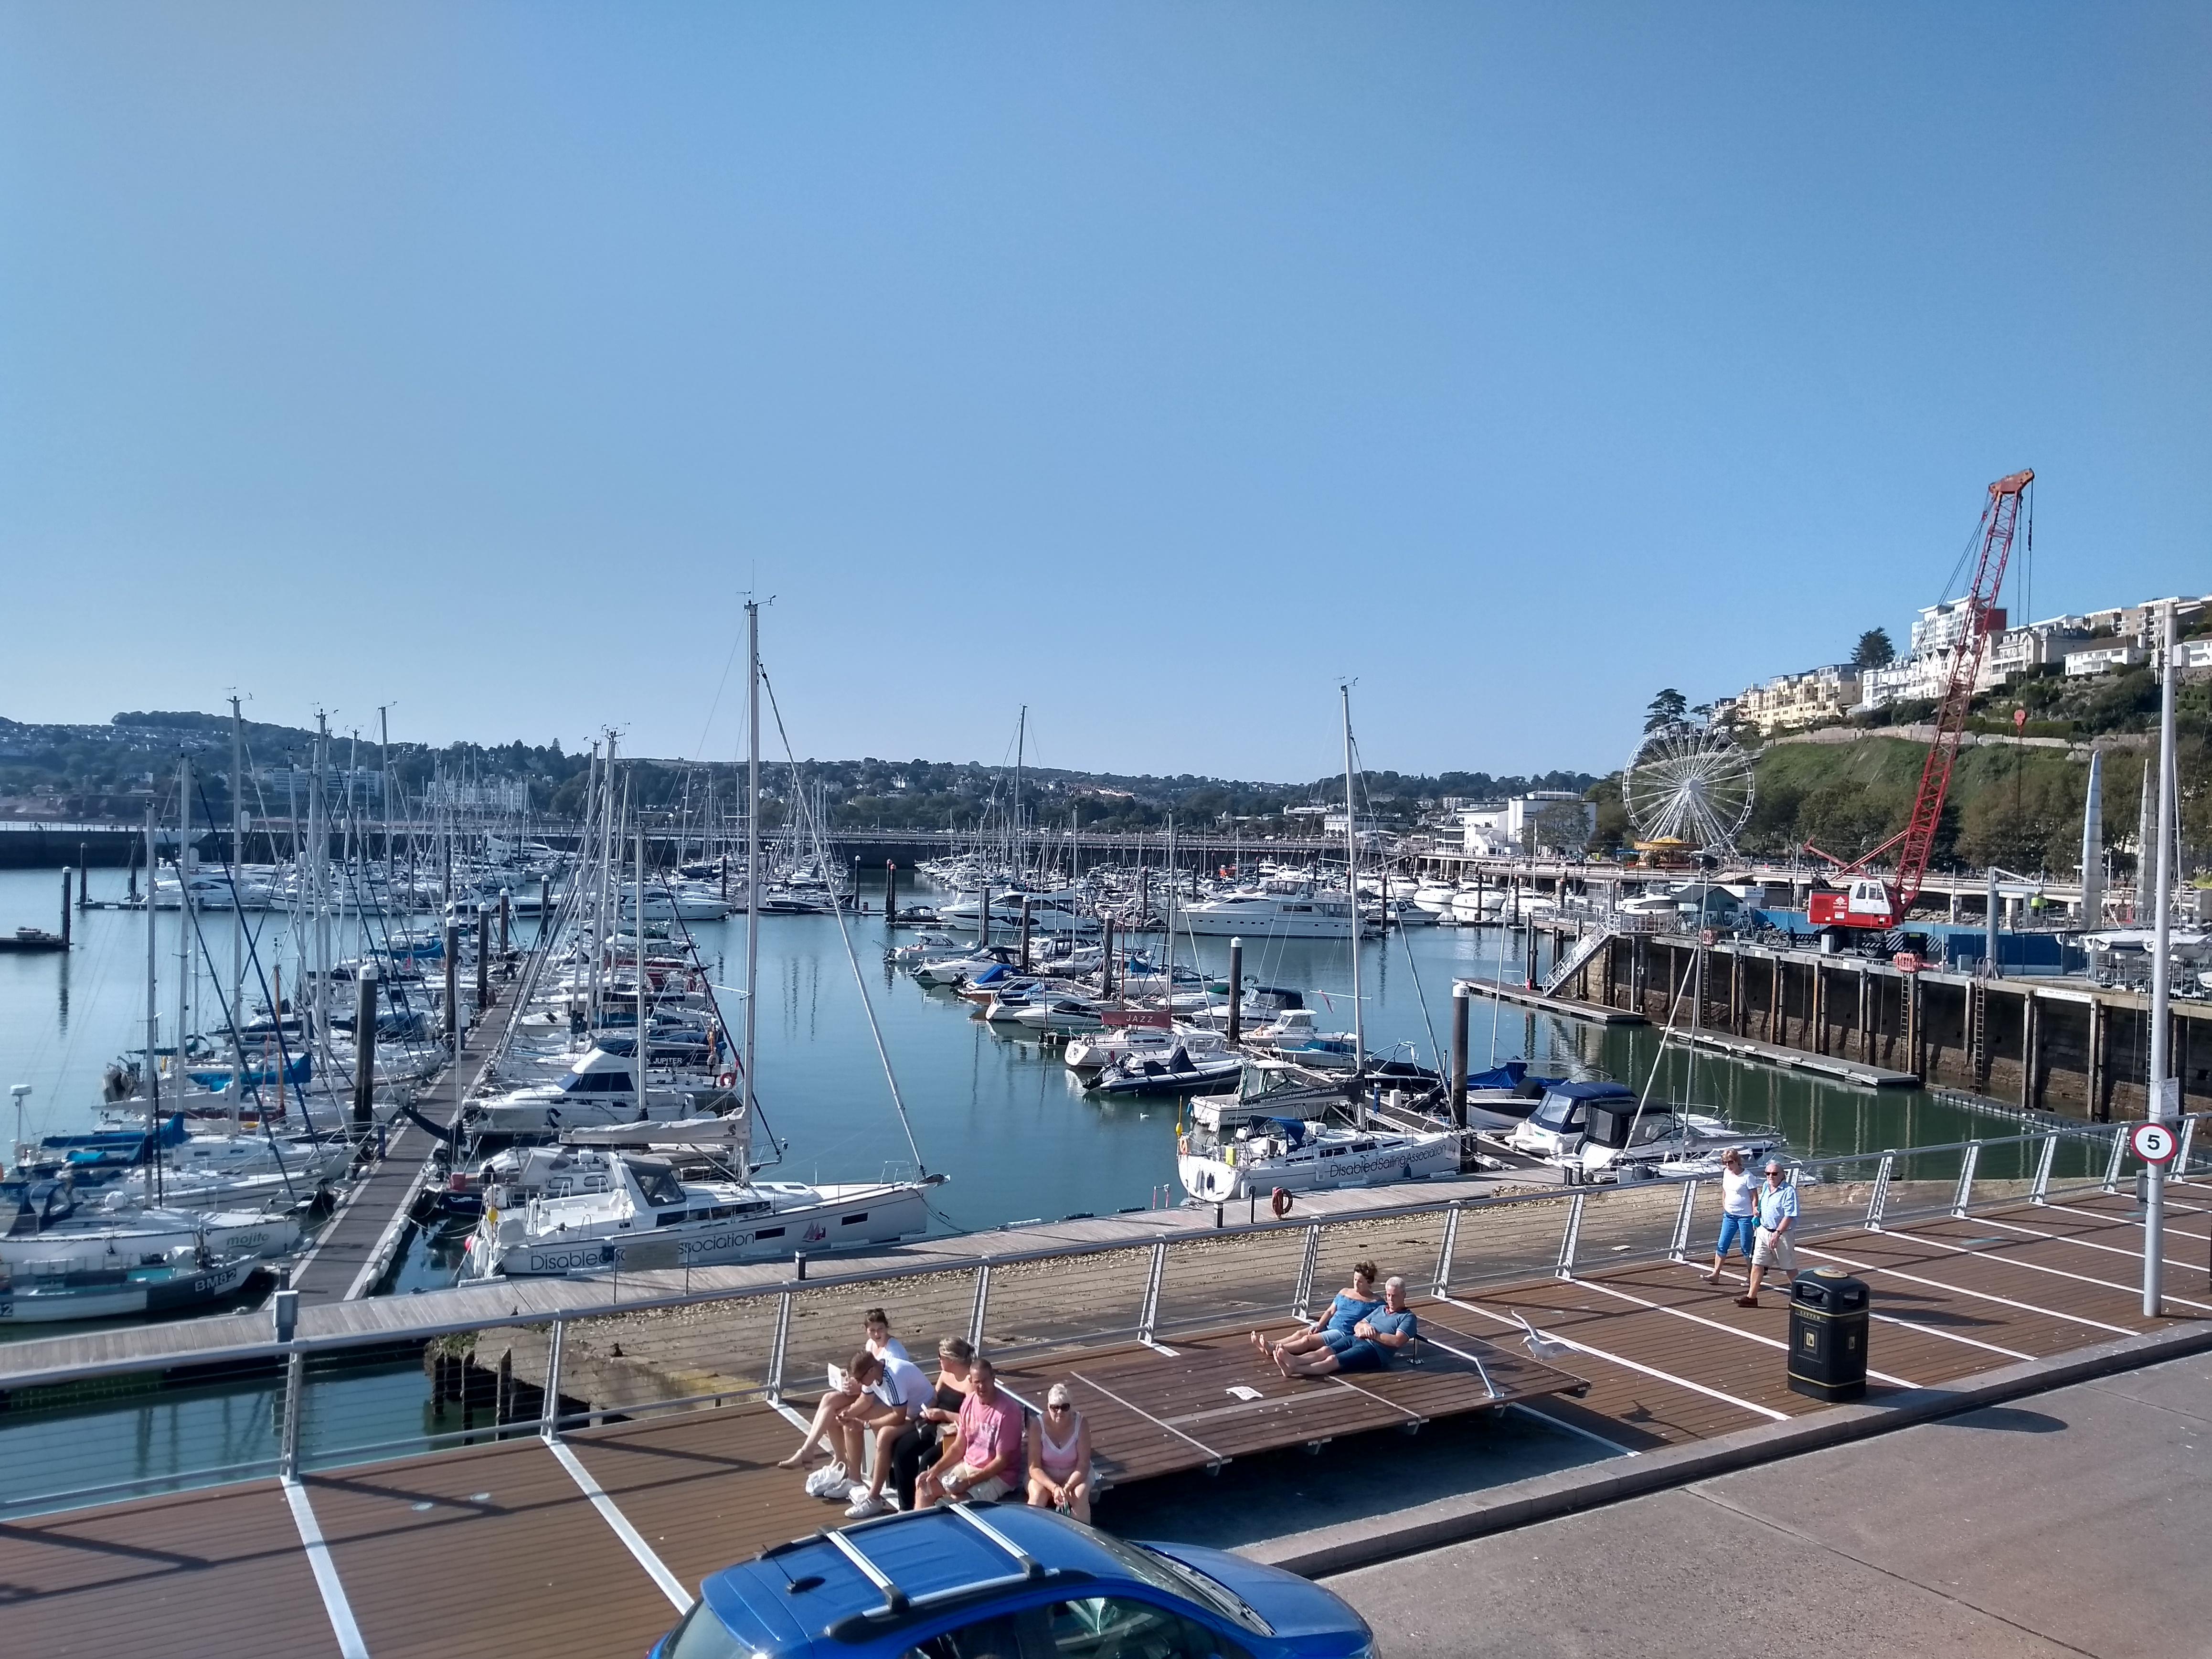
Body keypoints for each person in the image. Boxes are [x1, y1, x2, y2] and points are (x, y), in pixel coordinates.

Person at [778, 1308, 915, 1474]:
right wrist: (852, 1380)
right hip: (872, 1391)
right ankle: (819, 1453)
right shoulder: (871, 1345)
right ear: (866, 1330)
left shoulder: (895, 1352)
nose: (877, 1334)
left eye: (881, 1329)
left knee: (838, 1417)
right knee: (829, 1399)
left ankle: (847, 1469)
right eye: (872, 1330)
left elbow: (891, 1384)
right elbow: (868, 1377)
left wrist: (859, 1387)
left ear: (887, 1328)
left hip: (889, 1399)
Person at [840, 1346, 936, 1517]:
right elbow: (866, 1400)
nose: (860, 1384)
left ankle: (874, 1498)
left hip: (922, 1414)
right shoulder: (874, 1374)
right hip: (905, 1410)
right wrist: (848, 1414)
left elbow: (899, 1417)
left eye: (860, 1380)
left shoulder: (893, 1376)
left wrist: (866, 1424)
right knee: (851, 1422)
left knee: (885, 1435)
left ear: (870, 1371)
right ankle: (853, 1478)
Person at [917, 1356, 1026, 1507]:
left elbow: (1002, 1462)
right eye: (977, 1382)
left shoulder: (1008, 1411)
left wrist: (968, 1483)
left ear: (993, 1378)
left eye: (985, 1381)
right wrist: (934, 1471)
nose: (981, 1387)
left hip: (999, 1476)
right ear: (971, 1382)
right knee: (924, 1487)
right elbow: (958, 1446)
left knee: (957, 1506)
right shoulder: (969, 1402)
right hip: (968, 1464)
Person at [887, 1336, 973, 1514]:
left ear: (952, 1359)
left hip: (955, 1434)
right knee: (903, 1446)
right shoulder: (945, 1373)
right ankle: (906, 1505)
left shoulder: (970, 1382)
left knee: (928, 1458)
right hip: (936, 1424)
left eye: (941, 1356)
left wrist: (943, 1414)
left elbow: (971, 1419)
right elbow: (935, 1397)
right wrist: (929, 1411)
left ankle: (923, 1503)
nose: (939, 1360)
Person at [1276, 1277, 1418, 1376]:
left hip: (1375, 1350)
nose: (1390, 1300)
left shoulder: (1407, 1317)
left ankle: (1295, 1370)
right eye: (1388, 1295)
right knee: (1326, 1350)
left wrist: (1373, 1334)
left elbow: (1397, 1341)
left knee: (1332, 1361)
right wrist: (1363, 1327)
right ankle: (1295, 1361)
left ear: (1404, 1295)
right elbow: (1359, 1324)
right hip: (1357, 1338)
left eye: (1394, 1296)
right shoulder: (1381, 1309)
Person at [1254, 1260, 1380, 1362]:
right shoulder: (1345, 1292)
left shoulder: (1375, 1302)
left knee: (1307, 1341)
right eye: (1355, 1280)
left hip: (1342, 1332)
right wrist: (1320, 1325)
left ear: (1369, 1283)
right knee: (1299, 1334)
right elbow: (1330, 1311)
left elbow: (1383, 1319)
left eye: (1360, 1281)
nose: (1356, 1284)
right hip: (1328, 1324)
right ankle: (1271, 1344)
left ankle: (1277, 1349)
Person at [1026, 1382, 1092, 1523]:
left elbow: (1083, 1465)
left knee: (1079, 1495)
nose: (1060, 1412)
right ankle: (1031, 1533)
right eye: (1055, 1408)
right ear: (1048, 1407)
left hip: (1075, 1474)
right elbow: (1034, 1467)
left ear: (1071, 1407)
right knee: (1038, 1495)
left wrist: (1067, 1487)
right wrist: (1054, 1487)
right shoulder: (1038, 1425)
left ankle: (1083, 1537)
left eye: (1064, 1407)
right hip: (1045, 1475)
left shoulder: (1081, 1424)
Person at [1738, 1160, 1799, 1308]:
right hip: (1763, 1231)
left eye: (1774, 1173)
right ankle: (1751, 1297)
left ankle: (1798, 1299)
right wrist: (1757, 1214)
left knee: (1789, 1267)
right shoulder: (1766, 1186)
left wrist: (1778, 1233)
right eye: (1768, 1173)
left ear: (1782, 1175)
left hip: (1781, 1234)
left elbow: (1789, 1215)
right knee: (1757, 1263)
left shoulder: (1788, 1191)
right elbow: (1764, 1205)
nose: (1771, 1176)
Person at [1702, 1149, 1757, 1287]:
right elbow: (1724, 1190)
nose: (1728, 1165)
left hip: (1745, 1216)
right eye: (1725, 1162)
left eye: (1730, 1162)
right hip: (1729, 1215)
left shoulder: (1747, 1177)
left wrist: (1755, 1214)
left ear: (1737, 1161)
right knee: (1722, 1244)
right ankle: (1716, 1274)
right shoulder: (1726, 1173)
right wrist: (1724, 1205)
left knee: (1746, 1247)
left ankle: (1751, 1277)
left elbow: (1754, 1197)